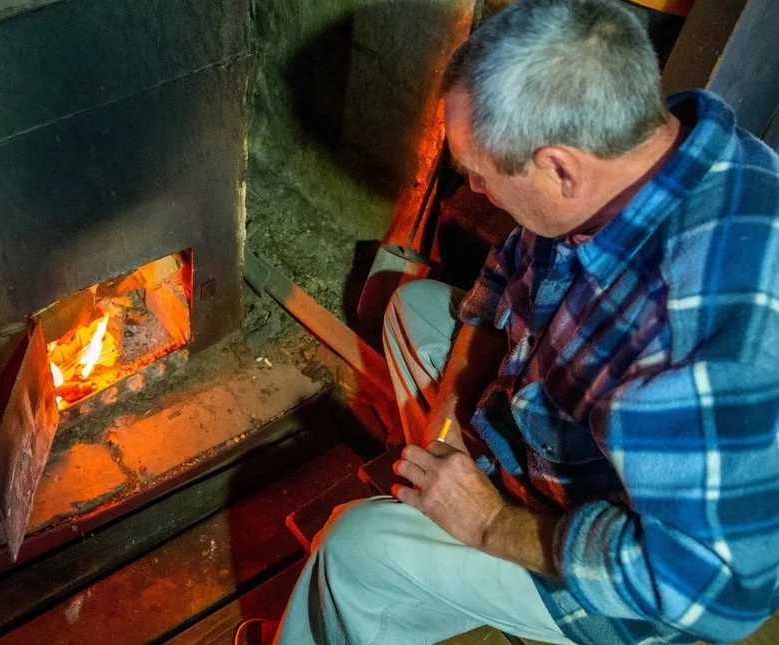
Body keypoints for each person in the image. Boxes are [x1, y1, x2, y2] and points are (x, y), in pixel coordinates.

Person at [264, 0, 779, 643]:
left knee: (351, 549)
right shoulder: (639, 146)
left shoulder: (694, 331)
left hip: (608, 559)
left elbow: (719, 592)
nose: (474, 190)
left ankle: (379, 588)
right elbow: (504, 276)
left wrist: (489, 524)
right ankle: (425, 564)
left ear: (559, 168)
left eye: (480, 176)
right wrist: (447, 419)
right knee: (410, 305)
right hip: (536, 432)